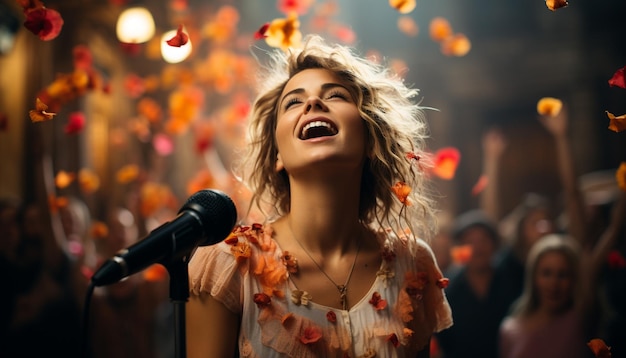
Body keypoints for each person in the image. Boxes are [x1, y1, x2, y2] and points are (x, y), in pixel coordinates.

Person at [185, 34, 453, 357]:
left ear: (370, 140)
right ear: (277, 156)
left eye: (336, 95)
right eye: (294, 102)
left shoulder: (413, 264)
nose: (313, 103)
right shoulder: (228, 266)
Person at [498, 190, 626, 358]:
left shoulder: (581, 318)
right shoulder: (510, 329)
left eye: (563, 275)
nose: (554, 283)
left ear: (574, 279)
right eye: (546, 273)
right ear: (533, 276)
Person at [434, 209, 515, 358]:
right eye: (470, 242)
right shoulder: (448, 289)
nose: (478, 248)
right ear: (460, 249)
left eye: (483, 240)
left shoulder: (511, 279)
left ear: (494, 244)